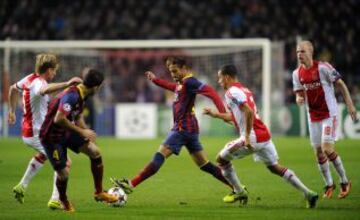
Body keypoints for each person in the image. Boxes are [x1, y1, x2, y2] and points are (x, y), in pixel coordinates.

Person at [111, 57, 234, 196]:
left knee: (159, 155)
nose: (173, 74)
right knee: (205, 165)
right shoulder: (182, 83)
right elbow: (172, 87)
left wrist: (223, 114)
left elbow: (211, 92)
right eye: (170, 71)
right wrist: (155, 80)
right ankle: (237, 187)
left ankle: (131, 184)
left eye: (175, 71)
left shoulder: (190, 81)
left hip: (182, 129)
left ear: (184, 68)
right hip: (190, 130)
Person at [203, 64, 319, 208]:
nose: (219, 82)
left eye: (220, 78)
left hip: (252, 136)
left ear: (227, 77)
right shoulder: (244, 90)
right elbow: (237, 116)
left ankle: (239, 191)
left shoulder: (231, 92)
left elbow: (249, 113)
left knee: (221, 160)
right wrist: (216, 115)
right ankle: (309, 194)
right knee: (274, 167)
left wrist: (245, 136)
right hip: (263, 135)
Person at [8, 53, 82, 209]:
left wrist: (11, 111)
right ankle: (55, 199)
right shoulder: (38, 83)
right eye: (54, 71)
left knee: (45, 155)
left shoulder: (29, 78)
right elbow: (45, 89)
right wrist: (67, 83)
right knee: (65, 162)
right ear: (48, 70)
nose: (54, 74)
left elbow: (12, 89)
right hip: (37, 133)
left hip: (29, 131)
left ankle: (21, 186)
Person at [39, 68, 118, 212]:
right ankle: (63, 201)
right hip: (51, 137)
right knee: (63, 174)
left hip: (66, 132)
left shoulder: (83, 94)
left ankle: (99, 192)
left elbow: (78, 115)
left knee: (95, 152)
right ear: (96, 87)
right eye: (100, 87)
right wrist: (82, 131)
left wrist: (86, 133)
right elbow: (59, 118)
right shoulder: (72, 95)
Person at [292, 41, 356, 199]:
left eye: (303, 51)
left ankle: (344, 181)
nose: (300, 54)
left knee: (327, 148)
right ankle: (329, 184)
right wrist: (299, 98)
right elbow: (299, 94)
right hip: (312, 117)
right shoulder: (296, 74)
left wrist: (350, 105)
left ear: (311, 52)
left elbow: (340, 84)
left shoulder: (323, 68)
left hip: (329, 114)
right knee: (319, 154)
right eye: (298, 52)